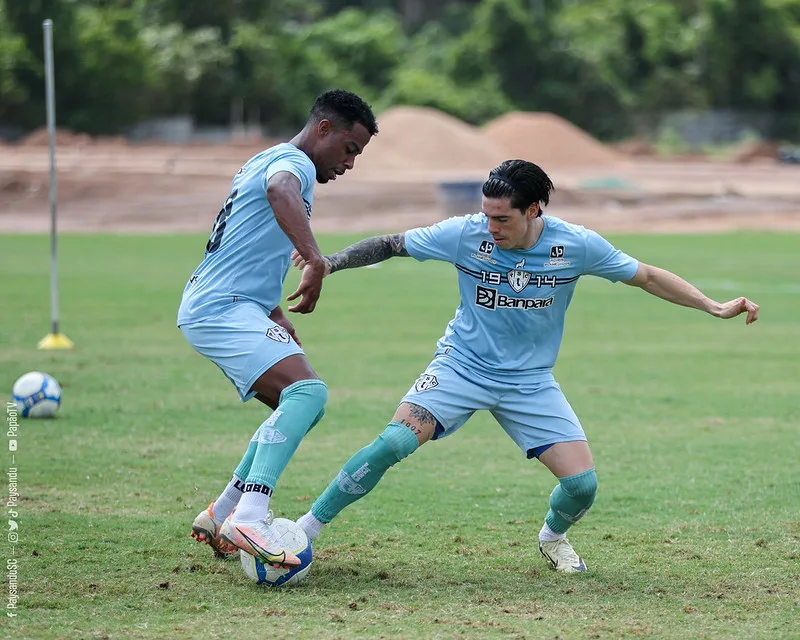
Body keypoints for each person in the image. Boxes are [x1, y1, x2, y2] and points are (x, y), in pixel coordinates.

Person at [292, 159, 759, 573]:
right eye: (487, 215)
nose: (490, 227)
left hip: (529, 382)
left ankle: (552, 538)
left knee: (582, 487)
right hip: (462, 366)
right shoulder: (465, 232)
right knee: (393, 442)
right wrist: (329, 263)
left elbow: (648, 276)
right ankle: (302, 532)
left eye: (502, 218)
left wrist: (712, 306)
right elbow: (393, 243)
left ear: (533, 209)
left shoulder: (575, 244)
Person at [178, 90, 378, 568]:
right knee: (307, 394)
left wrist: (272, 311)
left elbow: (248, 240)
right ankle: (250, 515)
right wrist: (314, 259)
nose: (351, 163)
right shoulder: (294, 165)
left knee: (298, 405)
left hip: (231, 305)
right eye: (350, 149)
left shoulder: (267, 157)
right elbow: (280, 192)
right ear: (324, 129)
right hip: (221, 308)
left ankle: (223, 510)